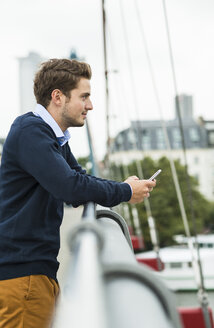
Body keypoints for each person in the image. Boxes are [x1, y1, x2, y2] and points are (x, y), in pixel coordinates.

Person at [0, 58, 156, 328]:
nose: (90, 105)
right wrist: (125, 191)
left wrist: (123, 186)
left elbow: (78, 184)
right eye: (84, 96)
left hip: (35, 272)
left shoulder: (52, 136)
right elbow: (69, 186)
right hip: (22, 275)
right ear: (57, 97)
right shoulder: (31, 131)